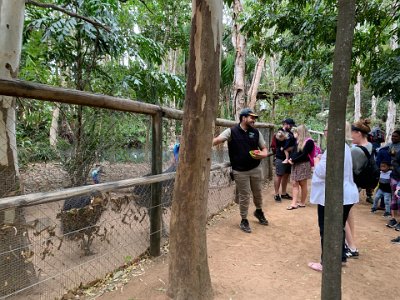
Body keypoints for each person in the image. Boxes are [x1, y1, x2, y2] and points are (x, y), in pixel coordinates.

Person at [308, 123, 359, 272]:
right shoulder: (345, 147)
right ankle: (340, 257)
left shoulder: (334, 148)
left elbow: (322, 171)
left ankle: (327, 263)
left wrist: (316, 161)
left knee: (328, 228)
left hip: (333, 196)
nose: (325, 133)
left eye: (326, 130)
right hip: (346, 194)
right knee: (338, 227)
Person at [213, 108, 269, 233]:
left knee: (258, 192)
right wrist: (203, 145)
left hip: (255, 168)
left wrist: (262, 154)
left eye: (254, 118)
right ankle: (244, 219)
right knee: (244, 195)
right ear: (244, 118)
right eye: (252, 117)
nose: (254, 120)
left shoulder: (256, 132)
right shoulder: (231, 131)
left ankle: (258, 211)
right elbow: (217, 140)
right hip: (240, 171)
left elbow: (264, 149)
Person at [286, 125, 314, 210]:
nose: (295, 133)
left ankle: (302, 202)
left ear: (300, 132)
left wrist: (293, 160)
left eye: (296, 132)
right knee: (294, 183)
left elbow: (304, 155)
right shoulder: (297, 141)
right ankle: (294, 203)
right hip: (295, 164)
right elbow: (294, 151)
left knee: (303, 184)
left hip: (303, 164)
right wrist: (290, 158)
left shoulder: (309, 142)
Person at [271, 118, 296, 202]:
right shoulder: (279, 133)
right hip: (280, 157)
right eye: (290, 125)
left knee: (286, 175)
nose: (291, 126)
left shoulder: (290, 133)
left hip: (289, 157)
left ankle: (284, 193)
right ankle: (276, 194)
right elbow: (280, 144)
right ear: (285, 124)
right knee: (279, 175)